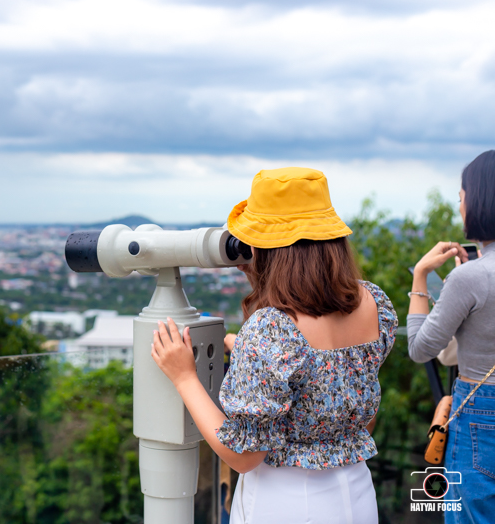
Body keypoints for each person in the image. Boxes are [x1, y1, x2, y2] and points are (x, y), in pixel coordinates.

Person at [151, 167, 396, 524]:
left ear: (268, 249)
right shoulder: (372, 303)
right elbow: (346, 401)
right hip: (356, 494)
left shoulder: (271, 329)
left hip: (289, 502)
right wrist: (250, 354)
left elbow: (244, 456)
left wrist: (184, 376)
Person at [407, 150, 495, 524]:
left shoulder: (470, 277)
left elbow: (419, 347)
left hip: (482, 414)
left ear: (478, 201)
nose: (460, 207)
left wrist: (420, 276)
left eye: (461, 198)